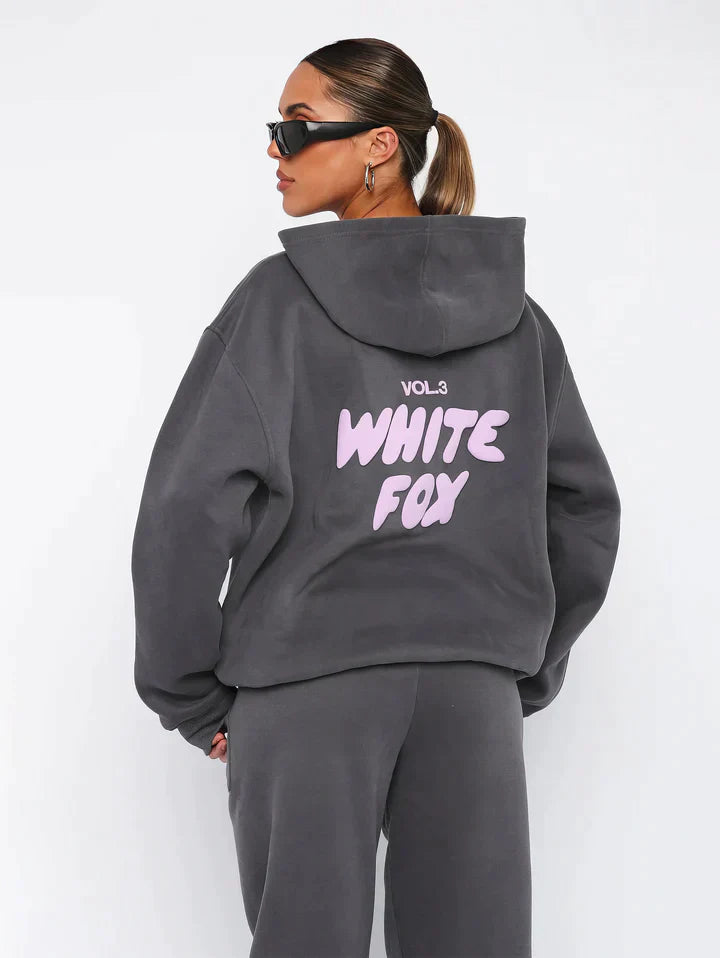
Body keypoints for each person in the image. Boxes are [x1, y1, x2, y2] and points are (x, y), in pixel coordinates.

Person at [131, 37, 621, 958]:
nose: (274, 148)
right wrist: (518, 662)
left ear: (380, 146)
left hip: (307, 687)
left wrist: (189, 694)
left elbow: (185, 513)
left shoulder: (275, 307)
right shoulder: (517, 319)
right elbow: (585, 508)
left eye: (296, 126)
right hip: (472, 693)